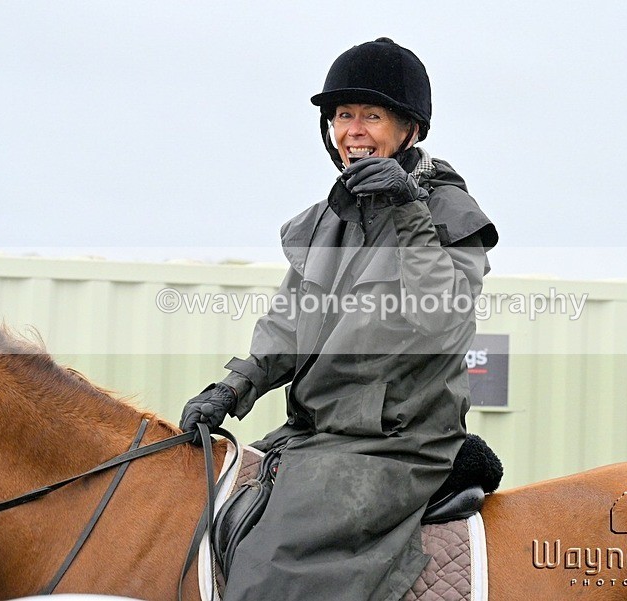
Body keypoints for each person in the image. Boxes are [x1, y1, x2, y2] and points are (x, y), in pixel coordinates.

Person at [180, 37, 498, 601]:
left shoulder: (450, 215)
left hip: (397, 441)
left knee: (275, 563)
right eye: (342, 115)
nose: (353, 129)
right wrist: (231, 387)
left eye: (371, 115)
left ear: (412, 130)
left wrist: (408, 210)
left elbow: (441, 321)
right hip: (317, 433)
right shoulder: (327, 219)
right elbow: (286, 327)